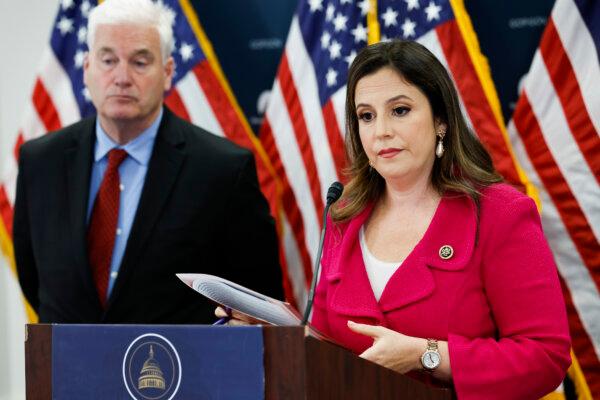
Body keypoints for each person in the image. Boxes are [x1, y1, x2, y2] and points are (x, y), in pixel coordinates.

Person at [311, 40, 571, 399]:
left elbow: (546, 357)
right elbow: (326, 346)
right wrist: (266, 330)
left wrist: (426, 354)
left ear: (441, 121)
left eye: (399, 111)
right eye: (366, 116)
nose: (381, 130)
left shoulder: (500, 213)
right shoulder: (343, 215)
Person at [13, 0, 283, 324]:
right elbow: (35, 280)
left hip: (175, 370)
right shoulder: (40, 162)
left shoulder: (223, 171)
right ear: (86, 69)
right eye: (108, 60)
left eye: (140, 62)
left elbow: (257, 303)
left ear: (168, 72)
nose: (122, 77)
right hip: (66, 368)